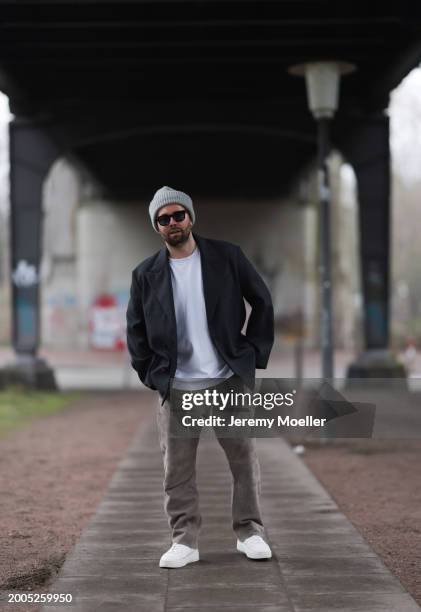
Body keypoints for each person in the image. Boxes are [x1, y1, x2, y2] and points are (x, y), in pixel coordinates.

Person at [126, 186, 274, 568]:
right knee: (176, 470)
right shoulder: (145, 274)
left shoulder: (227, 257)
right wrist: (153, 374)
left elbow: (261, 300)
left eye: (178, 215)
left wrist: (253, 353)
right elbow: (136, 331)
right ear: (157, 227)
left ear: (190, 217)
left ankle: (250, 531)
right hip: (177, 387)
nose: (173, 223)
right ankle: (184, 540)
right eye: (164, 219)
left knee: (243, 461)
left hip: (227, 379)